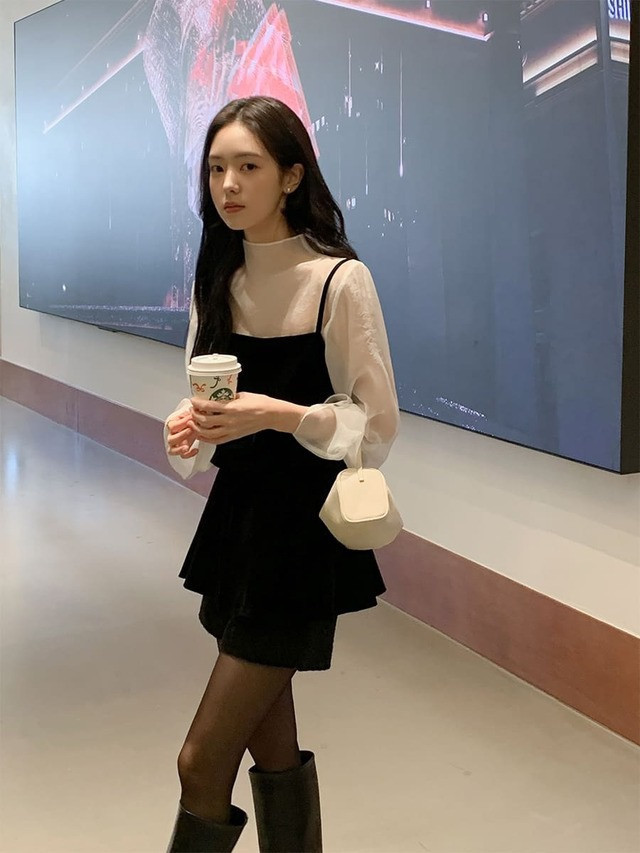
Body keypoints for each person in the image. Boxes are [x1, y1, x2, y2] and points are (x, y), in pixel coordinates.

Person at [163, 96, 399, 853]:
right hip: (237, 525)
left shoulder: (339, 281)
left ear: (292, 176)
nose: (228, 185)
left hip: (301, 537)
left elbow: (375, 427)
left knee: (200, 762)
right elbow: (201, 407)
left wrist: (281, 414)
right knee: (271, 744)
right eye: (216, 168)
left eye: (248, 166)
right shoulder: (218, 277)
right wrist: (187, 426)